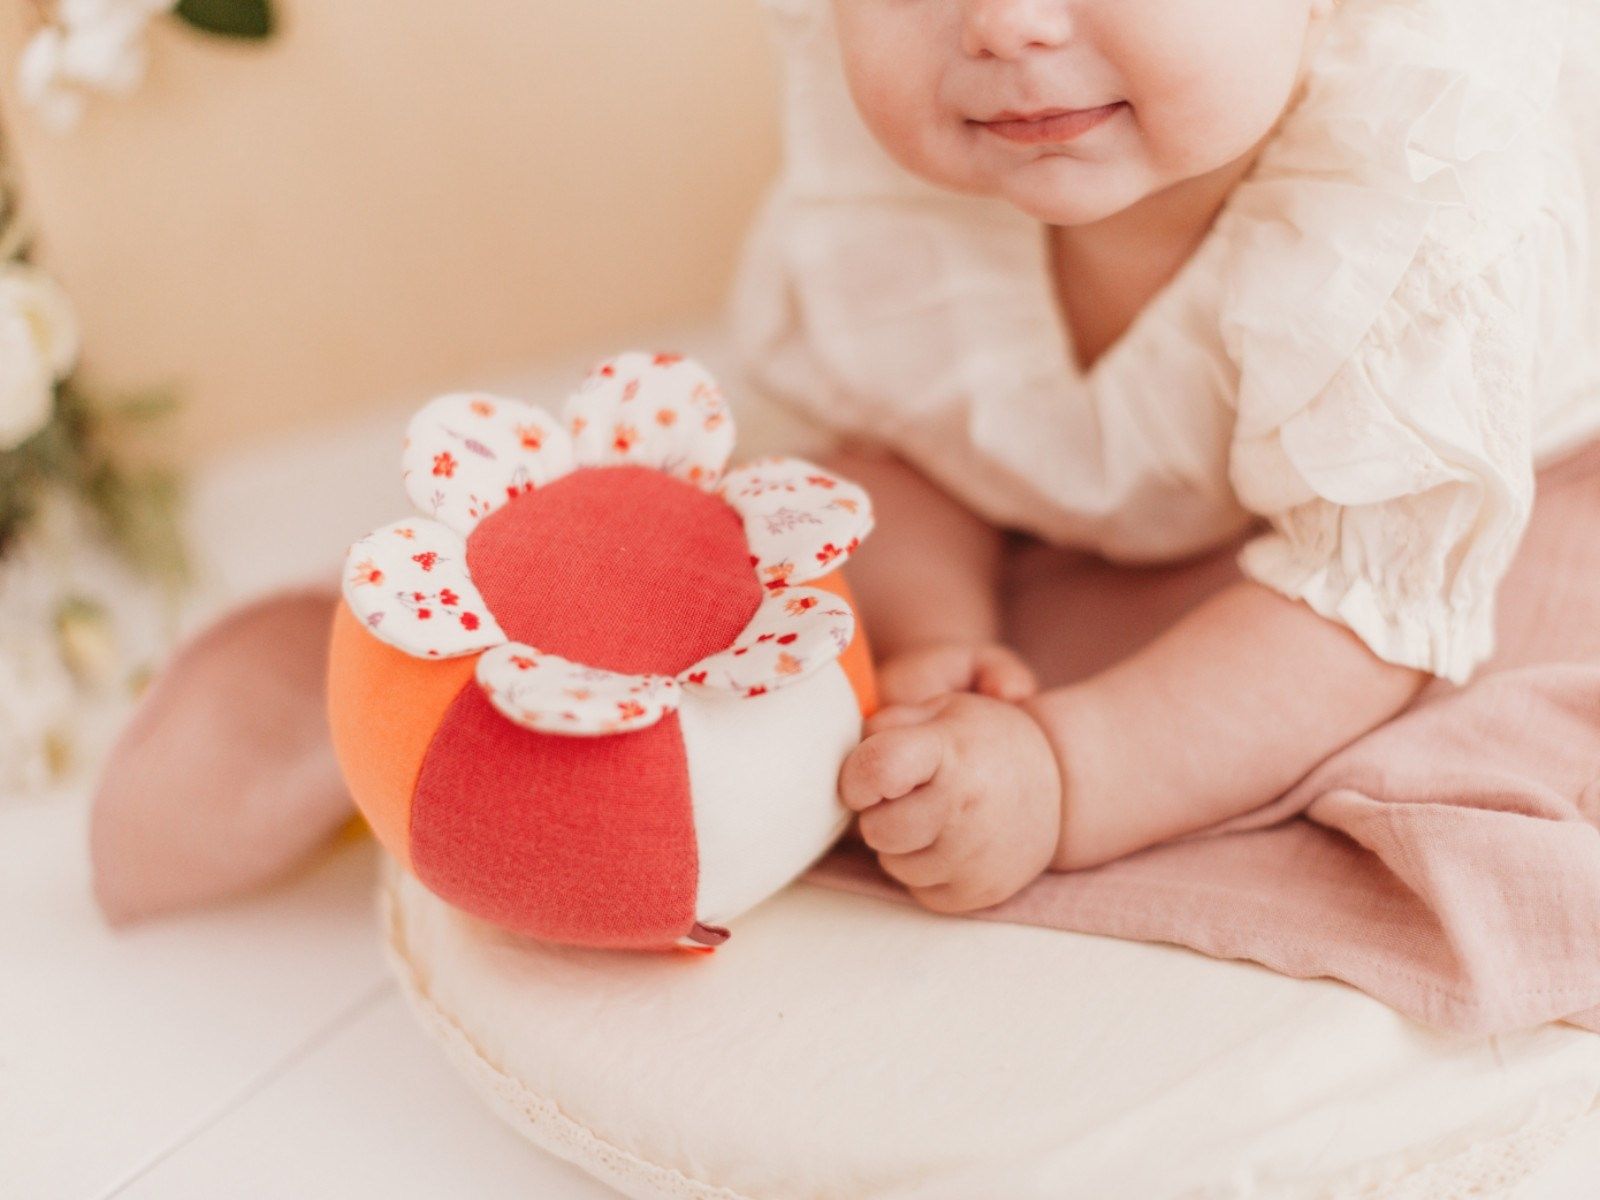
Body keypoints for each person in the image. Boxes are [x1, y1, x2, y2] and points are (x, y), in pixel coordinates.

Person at [730, 0, 1600, 913]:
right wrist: (936, 638)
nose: (1006, 26)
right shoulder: (885, 182)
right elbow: (895, 444)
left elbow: (1367, 610)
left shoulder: (1414, 195)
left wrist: (1065, 771)